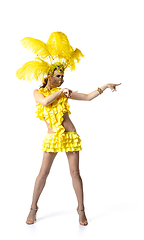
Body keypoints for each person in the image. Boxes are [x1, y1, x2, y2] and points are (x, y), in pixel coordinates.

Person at [16, 32, 121, 226]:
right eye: (58, 76)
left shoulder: (64, 93)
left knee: (75, 173)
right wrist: (59, 91)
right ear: (49, 77)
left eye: (63, 77)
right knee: (43, 173)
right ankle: (33, 208)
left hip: (70, 136)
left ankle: (81, 210)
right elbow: (46, 101)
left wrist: (105, 86)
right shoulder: (38, 93)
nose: (61, 79)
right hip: (53, 138)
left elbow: (88, 97)